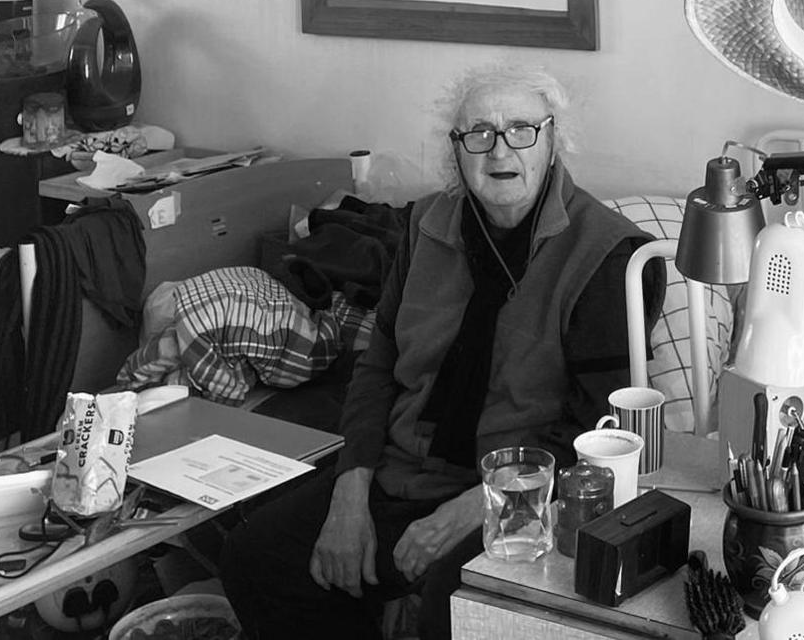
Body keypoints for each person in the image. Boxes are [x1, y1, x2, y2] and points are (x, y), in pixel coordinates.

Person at [219, 64, 666, 640]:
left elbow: (594, 432)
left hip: (522, 493)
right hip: (399, 472)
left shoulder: (605, 254)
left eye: (522, 130)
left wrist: (469, 511)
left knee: (453, 612)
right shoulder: (427, 224)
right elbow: (377, 365)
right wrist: (349, 492)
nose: (499, 150)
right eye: (477, 133)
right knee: (256, 556)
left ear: (555, 140)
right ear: (456, 150)